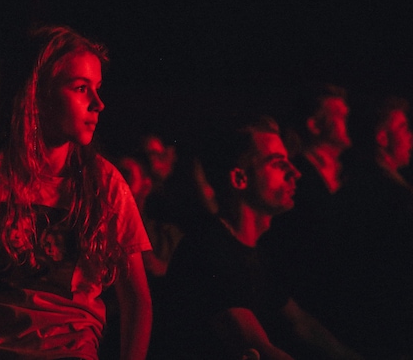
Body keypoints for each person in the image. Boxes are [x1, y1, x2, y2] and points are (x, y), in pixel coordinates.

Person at [0, 25, 153, 359]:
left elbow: (137, 300)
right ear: (36, 94)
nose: (98, 104)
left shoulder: (104, 183)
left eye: (97, 89)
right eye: (81, 88)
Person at [159, 115, 362, 360]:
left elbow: (301, 324)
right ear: (239, 179)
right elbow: (258, 349)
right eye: (278, 163)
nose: (296, 173)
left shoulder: (256, 251)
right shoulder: (207, 250)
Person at [258, 83, 352, 327]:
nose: (348, 120)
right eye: (339, 115)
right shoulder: (297, 181)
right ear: (315, 125)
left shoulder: (349, 177)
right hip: (312, 302)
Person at [335, 95, 413, 358]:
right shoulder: (390, 196)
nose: (410, 136)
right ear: (381, 138)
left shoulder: (356, 186)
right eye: (403, 128)